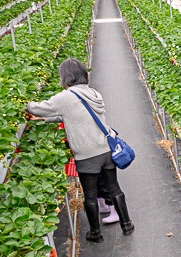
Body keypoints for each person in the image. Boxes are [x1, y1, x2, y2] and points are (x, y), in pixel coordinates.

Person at [26, 59, 134, 242]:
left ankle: (95, 233)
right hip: (106, 149)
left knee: (90, 194)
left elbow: (39, 108)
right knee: (114, 187)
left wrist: (25, 103)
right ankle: (127, 225)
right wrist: (44, 120)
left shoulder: (65, 96)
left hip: (87, 153)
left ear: (65, 77)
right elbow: (71, 115)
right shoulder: (92, 93)